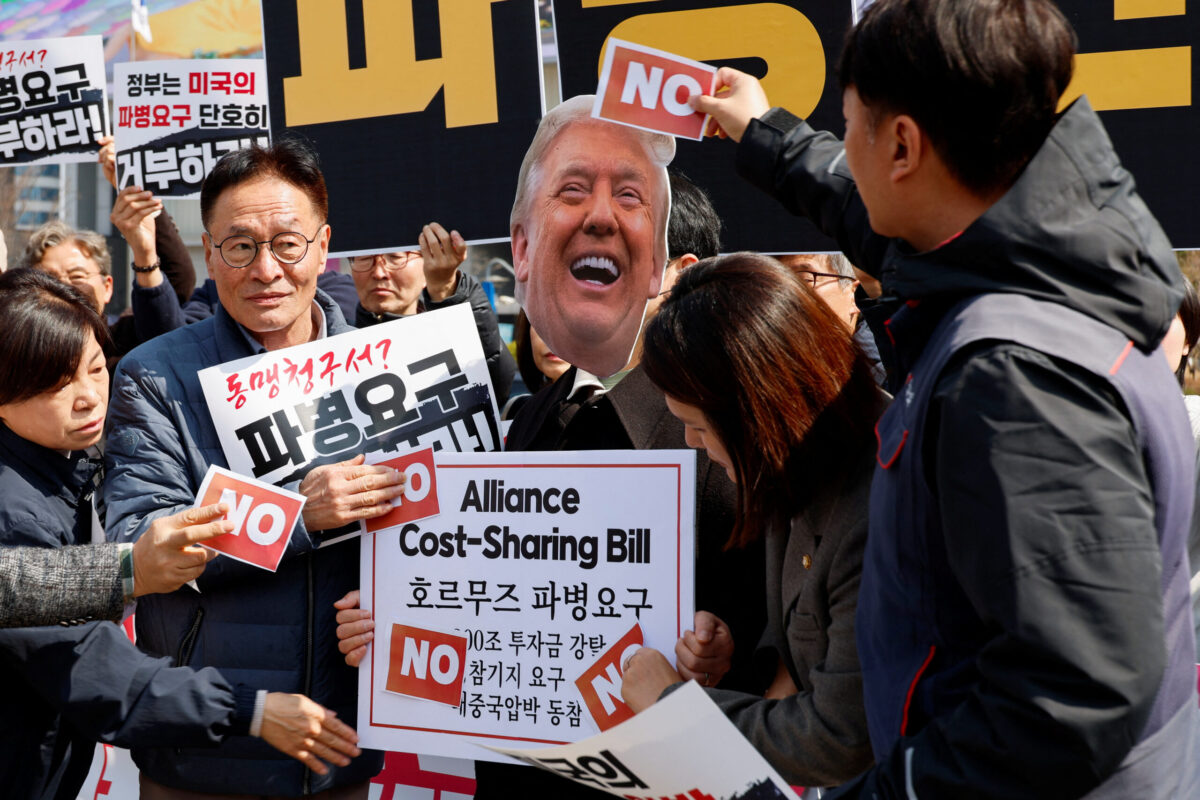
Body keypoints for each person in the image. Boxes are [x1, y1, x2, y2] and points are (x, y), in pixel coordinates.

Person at [691, 0, 1200, 796]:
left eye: (852, 125)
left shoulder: (1015, 382)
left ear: (903, 145)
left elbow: (1070, 700)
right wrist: (768, 137)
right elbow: (879, 217)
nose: (848, 153)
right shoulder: (1054, 255)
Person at [105, 138, 404, 798]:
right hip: (203, 754)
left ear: (323, 249)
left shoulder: (391, 366)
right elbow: (143, 539)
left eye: (287, 244)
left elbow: (435, 534)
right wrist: (300, 514)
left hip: (340, 749)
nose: (266, 268)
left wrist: (404, 604)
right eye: (240, 246)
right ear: (211, 256)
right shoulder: (153, 376)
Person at [0, 268, 360, 799]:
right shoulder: (15, 508)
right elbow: (89, 663)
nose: (88, 397)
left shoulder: (72, 464)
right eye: (54, 385)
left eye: (96, 368)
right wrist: (249, 709)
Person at [619, 253, 881, 789]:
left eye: (698, 425)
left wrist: (672, 710)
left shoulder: (875, 504)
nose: (692, 443)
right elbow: (804, 647)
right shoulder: (797, 470)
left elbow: (842, 735)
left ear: (759, 409)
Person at [511, 94, 673, 378]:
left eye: (628, 195)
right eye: (573, 189)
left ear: (656, 265)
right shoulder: (530, 420)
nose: (601, 216)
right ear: (523, 248)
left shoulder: (701, 419)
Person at [350, 221, 516, 405]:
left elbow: (493, 385)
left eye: (395, 257)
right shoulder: (331, 345)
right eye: (364, 258)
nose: (379, 272)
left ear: (426, 264)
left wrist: (445, 287)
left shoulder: (449, 333)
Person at [776, 253, 886, 385]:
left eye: (804, 280)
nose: (782, 295)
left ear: (853, 294)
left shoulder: (892, 374)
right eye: (773, 282)